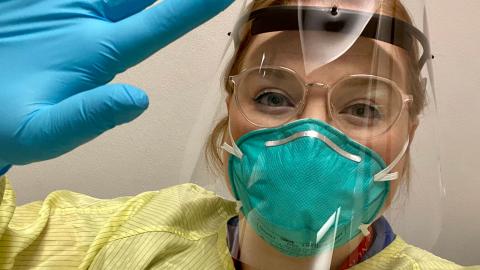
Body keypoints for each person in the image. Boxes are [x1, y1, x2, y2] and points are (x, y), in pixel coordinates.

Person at [0, 0, 477, 269]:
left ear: (408, 131)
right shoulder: (120, 241)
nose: (310, 135)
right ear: (231, 106)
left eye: (363, 107)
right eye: (273, 97)